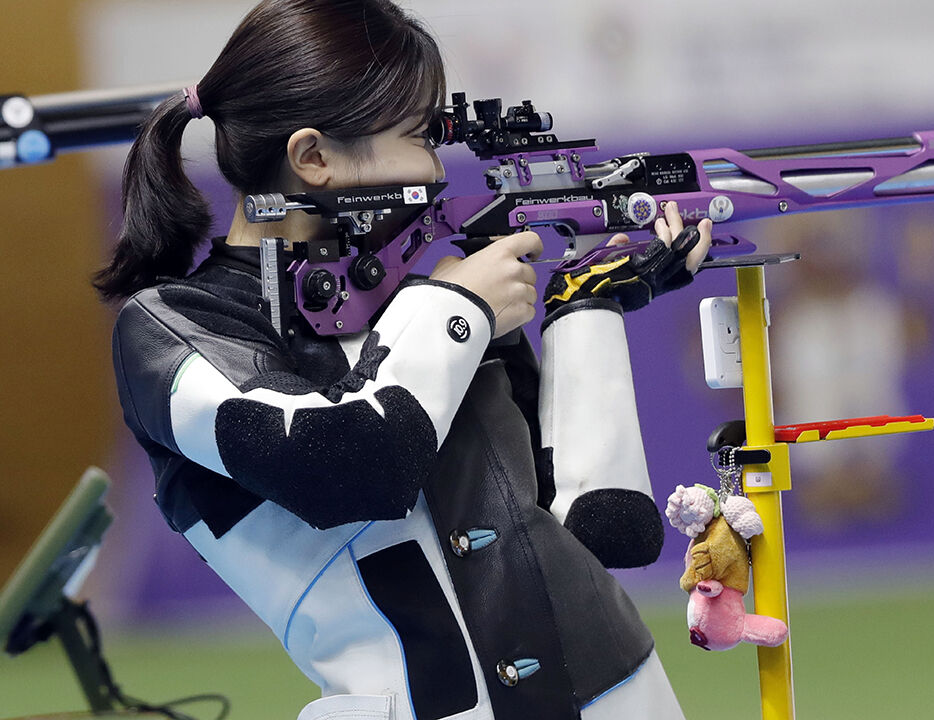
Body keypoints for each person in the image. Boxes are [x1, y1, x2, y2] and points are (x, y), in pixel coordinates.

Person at [94, 2, 712, 719]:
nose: (437, 167)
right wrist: (458, 309)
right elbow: (353, 465)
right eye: (420, 136)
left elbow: (606, 530)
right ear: (313, 158)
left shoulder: (430, 305)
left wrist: (587, 310)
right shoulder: (172, 328)